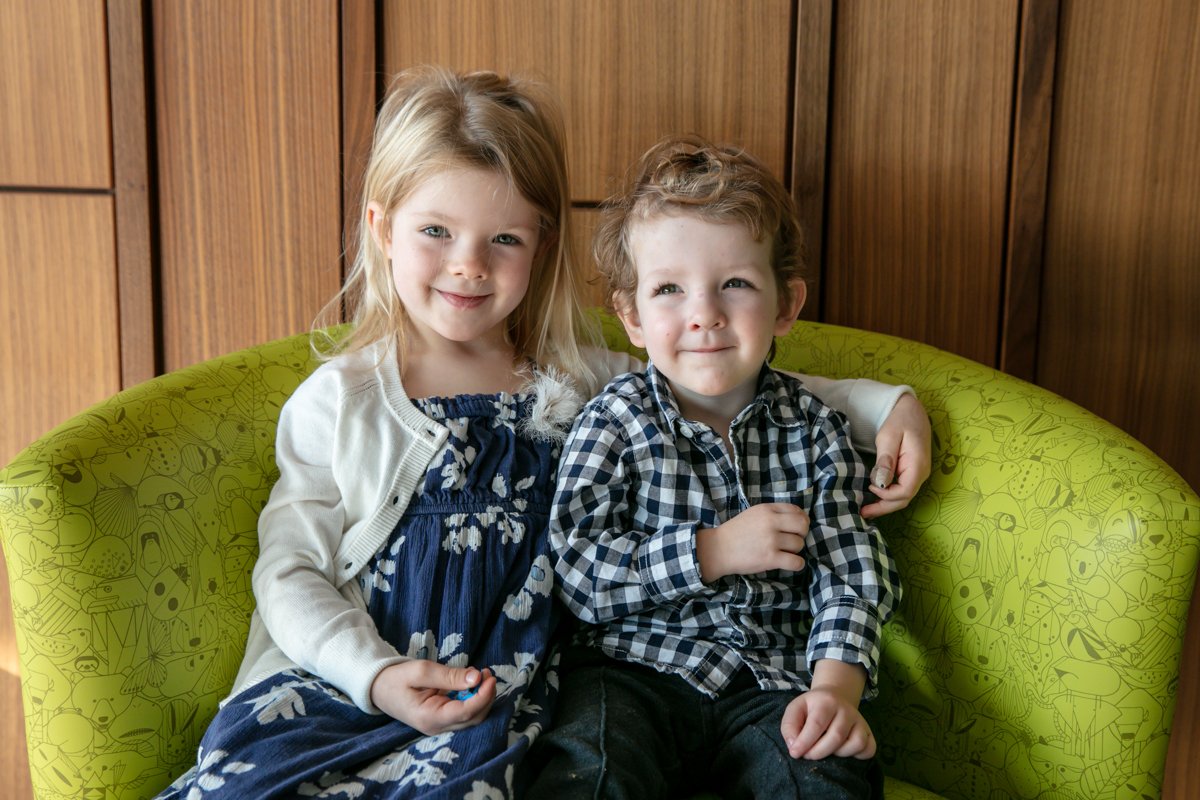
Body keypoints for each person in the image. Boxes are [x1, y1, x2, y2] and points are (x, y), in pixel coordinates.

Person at [158, 68, 926, 800]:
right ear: (382, 229)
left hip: (495, 705)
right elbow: (289, 572)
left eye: (504, 240)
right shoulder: (345, 399)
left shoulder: (580, 383)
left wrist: (886, 405)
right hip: (355, 683)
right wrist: (375, 674)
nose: (468, 266)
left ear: (542, 245)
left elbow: (717, 374)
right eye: (436, 231)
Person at [526, 135, 905, 799]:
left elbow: (851, 573)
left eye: (735, 283)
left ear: (786, 305)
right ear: (631, 315)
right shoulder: (613, 421)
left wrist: (833, 693)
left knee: (823, 776)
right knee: (591, 768)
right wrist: (711, 551)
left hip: (772, 681)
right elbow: (576, 573)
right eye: (669, 289)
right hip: (631, 670)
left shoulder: (815, 431)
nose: (703, 314)